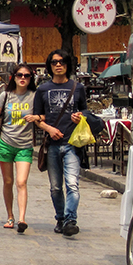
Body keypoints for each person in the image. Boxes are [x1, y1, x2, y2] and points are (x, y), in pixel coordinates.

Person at [33, 49, 87, 237]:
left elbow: (86, 113)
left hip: (72, 143)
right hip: (52, 145)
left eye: (62, 62)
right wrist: (49, 129)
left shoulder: (78, 88)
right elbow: (37, 118)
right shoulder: (42, 90)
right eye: (55, 62)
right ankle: (60, 218)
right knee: (56, 187)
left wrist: (80, 116)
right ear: (49, 66)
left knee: (72, 184)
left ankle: (71, 219)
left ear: (67, 66)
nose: (58, 65)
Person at [0, 64, 40, 234]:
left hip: (25, 145)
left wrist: (36, 117)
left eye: (27, 75)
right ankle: (10, 216)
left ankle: (22, 218)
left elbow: (44, 116)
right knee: (8, 181)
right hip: (5, 143)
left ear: (31, 78)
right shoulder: (5, 96)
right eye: (19, 75)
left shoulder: (34, 97)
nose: (23, 78)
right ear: (13, 77)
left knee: (21, 182)